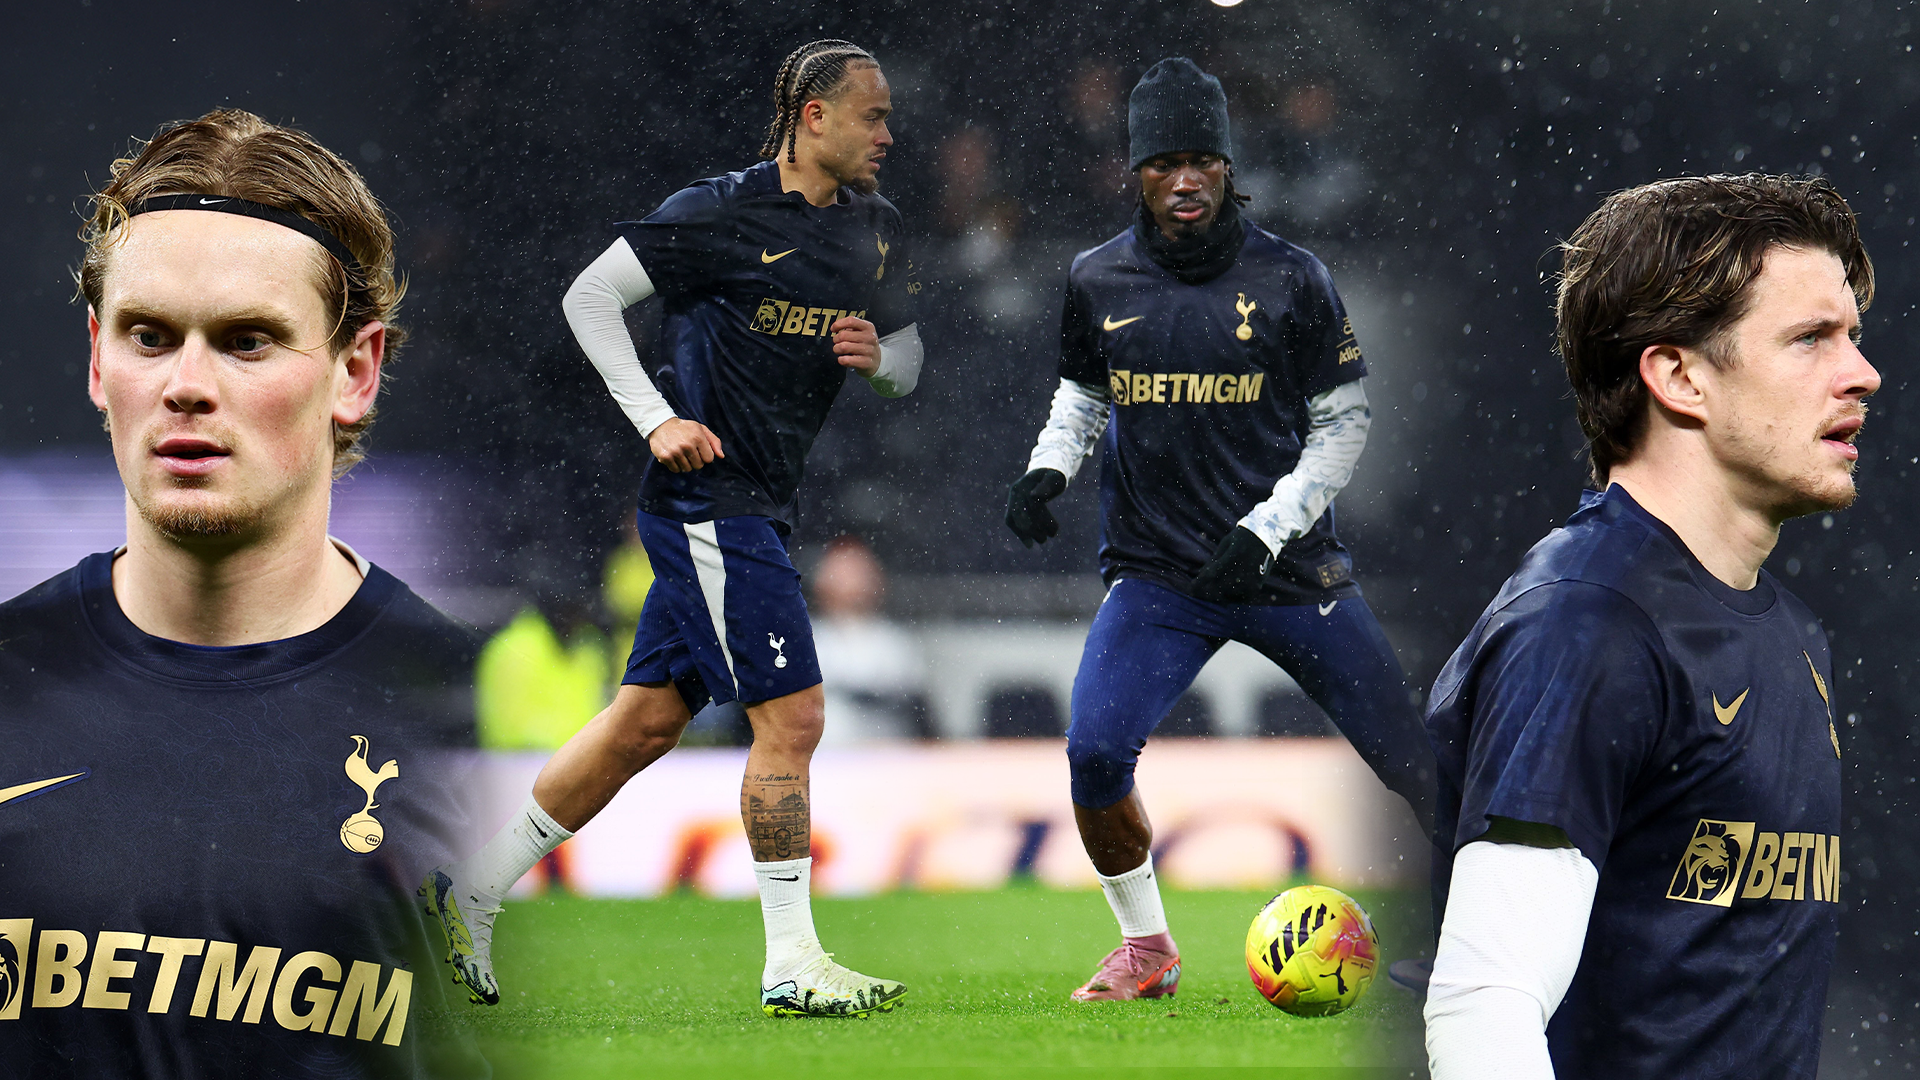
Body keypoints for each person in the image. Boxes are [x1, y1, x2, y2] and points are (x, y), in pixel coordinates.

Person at [423, 38, 923, 1019]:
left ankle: (468, 888)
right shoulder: (719, 210)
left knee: (643, 723)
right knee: (796, 718)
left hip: (766, 506)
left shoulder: (874, 229)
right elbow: (590, 296)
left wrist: (881, 358)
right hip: (709, 504)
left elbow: (906, 356)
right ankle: (792, 962)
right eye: (872, 114)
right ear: (813, 117)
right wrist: (657, 418)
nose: (888, 134)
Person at [0, 110, 480, 1077]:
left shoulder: (455, 709)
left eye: (247, 341)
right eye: (148, 335)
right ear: (99, 360)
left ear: (356, 371)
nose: (185, 385)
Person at [1421, 175, 1876, 1079]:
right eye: (1810, 338)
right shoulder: (1585, 623)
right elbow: (1486, 1001)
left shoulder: (1792, 635)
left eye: (1853, 338)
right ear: (1679, 376)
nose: (1861, 373)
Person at [1004, 57, 1435, 1002]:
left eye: (1202, 159)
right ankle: (1147, 949)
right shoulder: (1094, 277)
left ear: (1230, 167)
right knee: (1093, 754)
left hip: (1291, 574)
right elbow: (1083, 392)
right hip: (1162, 579)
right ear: (1136, 172)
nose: (1185, 179)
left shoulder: (1293, 276)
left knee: (1418, 760)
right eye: (1164, 163)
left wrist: (1269, 528)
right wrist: (1049, 468)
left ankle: (1479, 943)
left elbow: (1344, 422)